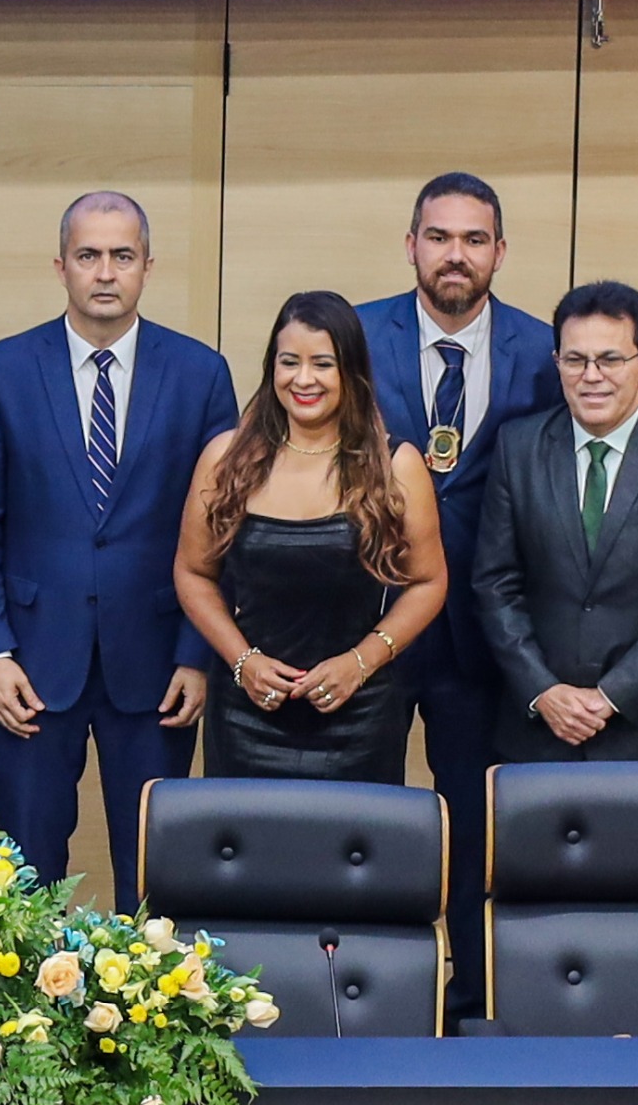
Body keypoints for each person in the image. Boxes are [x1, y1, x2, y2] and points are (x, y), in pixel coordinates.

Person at [0, 193, 237, 892]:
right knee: (21, 876)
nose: (105, 272)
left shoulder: (201, 373)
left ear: (147, 267)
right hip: (32, 664)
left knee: (155, 869)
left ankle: (152, 1005)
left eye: (122, 255)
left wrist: (198, 655)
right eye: (88, 255)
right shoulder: (3, 369)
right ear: (61, 266)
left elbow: (223, 531)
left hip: (159, 665)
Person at [358, 174, 557, 1009]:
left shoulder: (546, 351)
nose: (455, 255)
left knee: (478, 828)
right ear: (410, 245)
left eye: (475, 239)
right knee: (362, 820)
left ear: (500, 253)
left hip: (489, 635)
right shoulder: (355, 336)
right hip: (368, 621)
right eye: (438, 236)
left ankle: (474, 1002)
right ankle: (365, 994)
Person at [175, 291, 449, 783]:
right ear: (270, 367)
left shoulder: (396, 464)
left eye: (322, 363)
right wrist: (242, 661)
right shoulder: (224, 457)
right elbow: (193, 572)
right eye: (289, 362)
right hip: (245, 712)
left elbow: (428, 582)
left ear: (351, 370)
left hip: (361, 713)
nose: (303, 379)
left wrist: (361, 662)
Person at [470, 284, 638, 769]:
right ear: (557, 364)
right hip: (538, 733)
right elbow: (494, 585)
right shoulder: (518, 447)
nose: (591, 377)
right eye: (575, 360)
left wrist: (611, 696)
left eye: (610, 359)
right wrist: (544, 690)